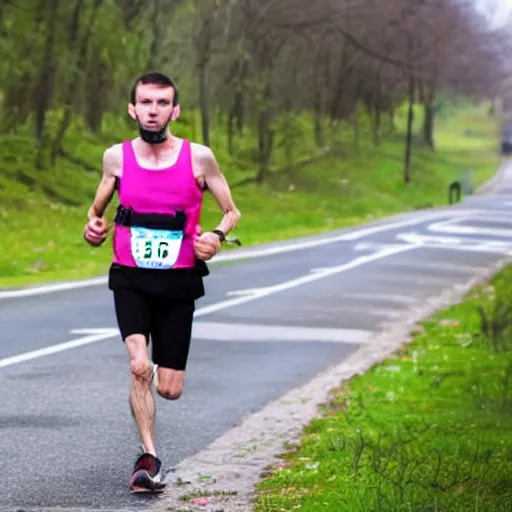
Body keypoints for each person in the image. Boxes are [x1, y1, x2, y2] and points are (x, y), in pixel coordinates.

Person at [83, 71, 241, 493]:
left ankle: (153, 423)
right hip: (130, 276)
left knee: (168, 387)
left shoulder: (199, 158)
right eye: (146, 103)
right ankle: (148, 458)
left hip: (178, 281)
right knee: (139, 367)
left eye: (162, 103)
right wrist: (93, 228)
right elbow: (97, 211)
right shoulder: (116, 157)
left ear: (175, 110)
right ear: (132, 108)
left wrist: (217, 237)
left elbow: (231, 212)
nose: (153, 111)